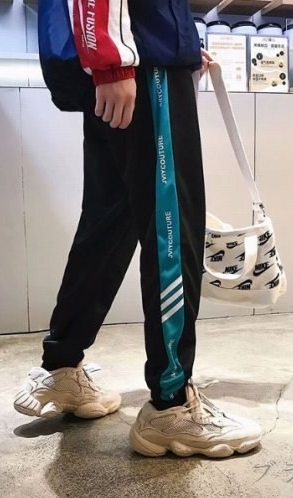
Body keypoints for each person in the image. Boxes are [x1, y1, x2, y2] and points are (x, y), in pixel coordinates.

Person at [14, 0, 263, 458]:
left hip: (129, 56)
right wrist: (115, 59)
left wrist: (176, 41)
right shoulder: (123, 61)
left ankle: (62, 367)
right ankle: (172, 404)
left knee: (109, 222)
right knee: (172, 226)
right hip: (137, 64)